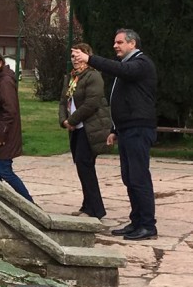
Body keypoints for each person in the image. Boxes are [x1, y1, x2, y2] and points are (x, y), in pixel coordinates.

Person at [71, 28, 158, 240]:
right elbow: (124, 98)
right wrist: (114, 129)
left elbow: (121, 71)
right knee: (129, 177)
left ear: (132, 44)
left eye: (119, 42)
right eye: (115, 42)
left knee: (138, 177)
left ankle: (148, 225)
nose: (115, 46)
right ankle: (136, 221)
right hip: (127, 129)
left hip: (139, 129)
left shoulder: (141, 63)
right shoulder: (127, 66)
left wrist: (90, 58)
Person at [59, 42, 112, 219]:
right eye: (72, 56)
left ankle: (96, 209)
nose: (74, 59)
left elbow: (91, 103)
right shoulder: (71, 77)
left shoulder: (93, 76)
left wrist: (73, 120)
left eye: (78, 55)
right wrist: (64, 121)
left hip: (89, 129)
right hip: (75, 129)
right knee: (82, 167)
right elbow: (63, 101)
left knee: (86, 166)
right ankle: (87, 205)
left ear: (87, 56)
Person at [0, 50, 34, 202]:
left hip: (4, 135)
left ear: (0, 63)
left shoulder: (4, 81)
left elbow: (10, 111)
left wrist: (1, 134)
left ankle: (29, 204)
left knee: (5, 170)